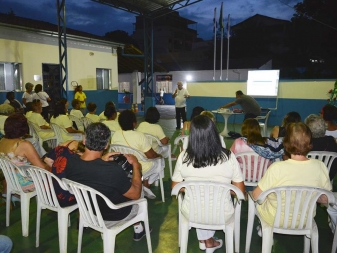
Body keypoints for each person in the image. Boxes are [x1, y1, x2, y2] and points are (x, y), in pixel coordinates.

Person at [59, 123, 148, 241]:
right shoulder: (112, 170)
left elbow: (89, 169)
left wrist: (101, 160)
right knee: (140, 190)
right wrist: (136, 165)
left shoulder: (71, 162)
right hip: (114, 215)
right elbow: (136, 194)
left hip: (90, 212)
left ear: (84, 140)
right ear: (106, 145)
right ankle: (139, 229)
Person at [172, 115, 245, 252]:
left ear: (192, 135)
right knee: (210, 203)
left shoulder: (184, 157)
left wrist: (196, 189)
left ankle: (206, 240)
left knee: (199, 201)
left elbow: (176, 187)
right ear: (214, 133)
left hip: (191, 212)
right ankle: (208, 241)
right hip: (222, 213)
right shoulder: (229, 157)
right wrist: (222, 190)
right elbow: (239, 191)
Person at [252, 122, 331, 229]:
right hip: (305, 220)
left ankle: (263, 230)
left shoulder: (277, 168)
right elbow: (326, 199)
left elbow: (256, 196)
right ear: (310, 143)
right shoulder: (320, 166)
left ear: (286, 143)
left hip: (275, 219)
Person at [111, 110, 163, 190]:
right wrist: (159, 155)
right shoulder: (139, 136)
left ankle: (144, 182)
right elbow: (151, 156)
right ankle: (148, 184)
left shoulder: (116, 134)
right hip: (139, 167)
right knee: (160, 162)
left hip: (122, 166)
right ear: (134, 123)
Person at [0, 114, 50, 193]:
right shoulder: (23, 144)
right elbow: (41, 167)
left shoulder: (2, 141)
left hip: (9, 180)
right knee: (54, 173)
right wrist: (51, 166)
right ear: (24, 128)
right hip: (23, 182)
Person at [305, 114, 337, 180]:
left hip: (307, 178)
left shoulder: (304, 144)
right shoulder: (332, 141)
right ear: (324, 126)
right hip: (328, 178)